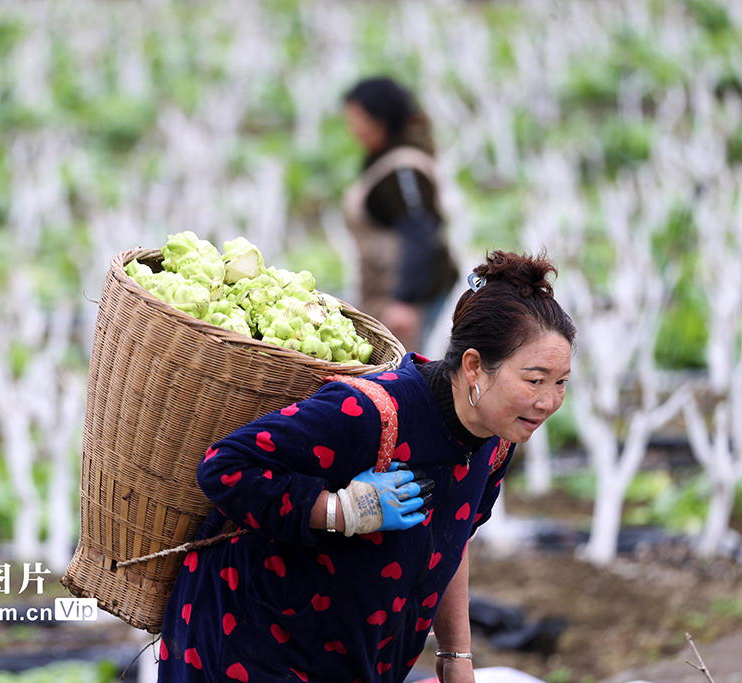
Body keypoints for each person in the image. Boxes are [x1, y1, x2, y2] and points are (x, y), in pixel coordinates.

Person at [156, 250, 576, 683]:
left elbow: (455, 537)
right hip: (254, 651)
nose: (549, 402)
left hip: (358, 662)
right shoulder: (369, 413)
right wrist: (341, 511)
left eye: (561, 382)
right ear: (474, 367)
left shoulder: (494, 443)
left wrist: (456, 656)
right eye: (534, 380)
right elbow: (223, 468)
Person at [341, 77, 459, 353]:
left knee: (403, 372)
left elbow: (419, 231)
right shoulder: (388, 162)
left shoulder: (403, 167)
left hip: (407, 297)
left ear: (380, 119)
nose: (353, 129)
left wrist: (405, 301)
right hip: (384, 289)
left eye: (357, 119)